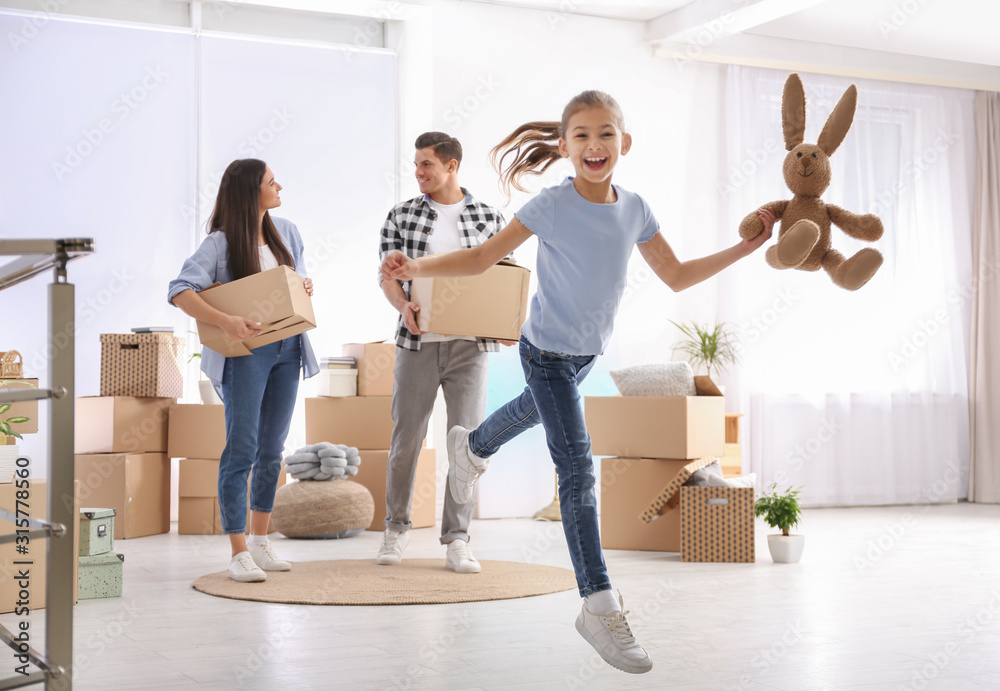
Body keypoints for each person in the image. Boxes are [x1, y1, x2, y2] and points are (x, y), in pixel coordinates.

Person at [381, 91, 775, 674]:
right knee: (577, 466)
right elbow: (482, 258)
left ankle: (472, 446)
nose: (596, 145)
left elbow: (676, 275)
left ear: (625, 143)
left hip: (586, 354)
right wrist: (416, 267)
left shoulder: (635, 207)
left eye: (607, 134)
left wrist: (746, 247)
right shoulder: (551, 205)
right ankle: (597, 602)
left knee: (524, 411)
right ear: (564, 147)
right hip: (545, 351)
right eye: (583, 136)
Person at [168, 159, 318, 583]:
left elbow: (299, 278)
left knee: (273, 449)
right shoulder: (219, 244)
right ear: (252, 191)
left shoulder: (286, 231)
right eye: (272, 181)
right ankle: (237, 552)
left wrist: (305, 285)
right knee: (242, 449)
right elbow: (180, 290)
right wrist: (225, 321)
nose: (279, 185)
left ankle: (260, 540)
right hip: (247, 353)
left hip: (289, 347)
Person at [376, 132, 509, 574]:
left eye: (426, 165)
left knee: (466, 447)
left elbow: (505, 283)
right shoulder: (401, 216)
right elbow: (388, 277)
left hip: (470, 346)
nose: (418, 173)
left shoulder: (490, 218)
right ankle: (396, 530)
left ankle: (457, 539)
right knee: (406, 441)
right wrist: (403, 306)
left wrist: (507, 326)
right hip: (417, 343)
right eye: (416, 165)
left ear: (451, 166)